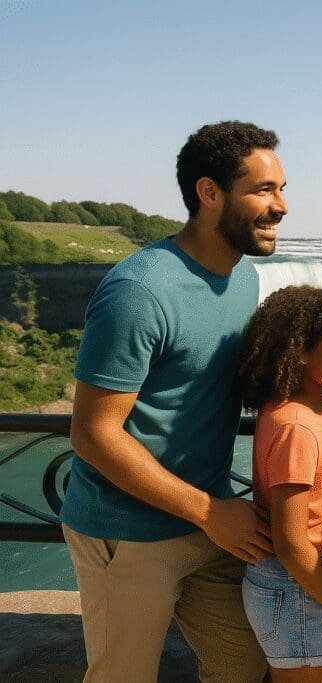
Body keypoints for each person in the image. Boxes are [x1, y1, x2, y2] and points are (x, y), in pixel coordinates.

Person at [62, 121, 287, 681]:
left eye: (282, 189)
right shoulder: (139, 292)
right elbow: (92, 433)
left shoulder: (242, 278)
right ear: (209, 192)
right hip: (129, 532)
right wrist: (210, 511)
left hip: (208, 524)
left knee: (243, 665)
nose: (281, 206)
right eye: (263, 190)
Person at [236, 286, 322, 681]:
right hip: (298, 584)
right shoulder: (296, 426)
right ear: (300, 350)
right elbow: (291, 544)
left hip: (307, 581)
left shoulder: (309, 409)